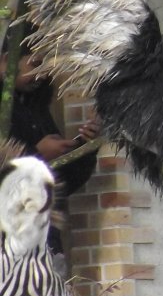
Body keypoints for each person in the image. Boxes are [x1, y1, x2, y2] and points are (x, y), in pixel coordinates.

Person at [1, 49, 100, 263]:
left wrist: (86, 147)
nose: (42, 74)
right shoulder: (7, 111)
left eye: (47, 68)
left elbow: (63, 183)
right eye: (36, 64)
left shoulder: (36, 109)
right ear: (8, 60)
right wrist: (37, 154)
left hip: (45, 242)